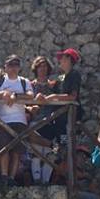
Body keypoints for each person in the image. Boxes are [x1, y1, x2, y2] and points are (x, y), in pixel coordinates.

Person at [0, 55, 34, 187]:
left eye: (16, 65)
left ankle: (12, 177)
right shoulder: (0, 80)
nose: (13, 68)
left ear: (19, 68)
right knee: (4, 148)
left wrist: (16, 95)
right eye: (10, 65)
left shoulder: (24, 81)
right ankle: (4, 175)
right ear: (5, 67)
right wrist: (4, 93)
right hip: (3, 120)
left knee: (17, 151)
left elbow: (31, 95)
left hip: (20, 120)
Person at [27, 56, 57, 185]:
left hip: (50, 121)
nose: (42, 69)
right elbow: (26, 102)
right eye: (40, 66)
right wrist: (31, 108)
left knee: (49, 154)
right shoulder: (30, 85)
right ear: (36, 68)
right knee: (36, 152)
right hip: (35, 121)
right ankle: (37, 180)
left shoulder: (53, 85)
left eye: (45, 66)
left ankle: (45, 182)